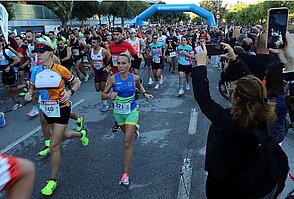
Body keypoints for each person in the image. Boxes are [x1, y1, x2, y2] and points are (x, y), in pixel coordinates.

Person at [192, 42, 289, 198]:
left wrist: (200, 66)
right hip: (259, 183)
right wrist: (235, 58)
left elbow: (203, 98)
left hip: (228, 185)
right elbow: (252, 84)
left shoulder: (229, 121)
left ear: (236, 98)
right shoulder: (264, 111)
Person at [24, 40, 89, 196]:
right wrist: (29, 93)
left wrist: (69, 93)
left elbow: (76, 82)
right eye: (37, 52)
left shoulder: (60, 69)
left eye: (42, 52)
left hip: (61, 109)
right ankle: (81, 134)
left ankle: (52, 180)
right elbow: (32, 88)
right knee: (64, 136)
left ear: (50, 53)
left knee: (54, 145)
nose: (38, 54)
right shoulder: (36, 71)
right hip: (47, 109)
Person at [102, 53, 153, 186]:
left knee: (126, 143)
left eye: (123, 63)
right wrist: (109, 95)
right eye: (118, 63)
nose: (120, 66)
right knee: (127, 134)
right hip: (118, 113)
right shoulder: (113, 78)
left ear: (129, 64)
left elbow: (139, 86)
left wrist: (145, 93)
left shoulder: (135, 77)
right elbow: (103, 95)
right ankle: (135, 129)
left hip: (132, 111)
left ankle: (125, 174)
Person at [88, 36, 111, 112]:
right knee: (97, 89)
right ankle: (107, 84)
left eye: (94, 42)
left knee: (102, 89)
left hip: (103, 71)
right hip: (97, 71)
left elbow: (111, 59)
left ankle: (105, 104)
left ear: (98, 43)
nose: (92, 44)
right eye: (92, 42)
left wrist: (108, 67)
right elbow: (90, 60)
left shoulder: (103, 51)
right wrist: (91, 68)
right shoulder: (91, 51)